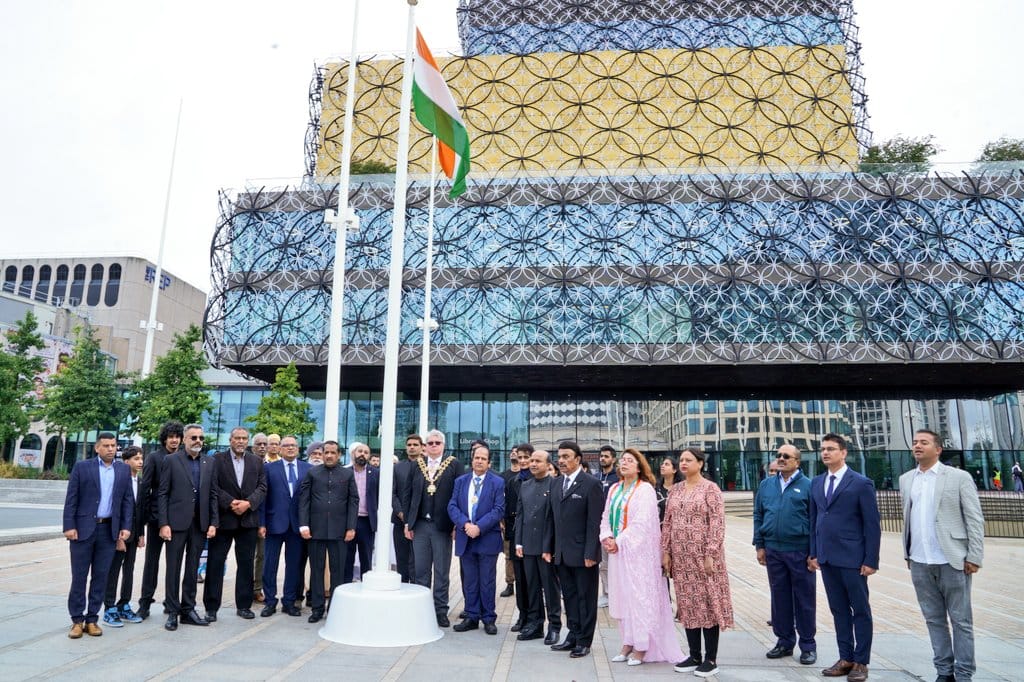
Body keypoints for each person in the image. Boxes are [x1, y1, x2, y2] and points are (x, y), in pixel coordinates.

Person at [900, 429, 985, 682]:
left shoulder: (958, 477)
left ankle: (964, 673)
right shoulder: (906, 479)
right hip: (919, 561)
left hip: (953, 560)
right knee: (933, 620)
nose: (917, 446)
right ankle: (944, 671)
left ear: (938, 449)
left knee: (961, 621)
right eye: (915, 442)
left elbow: (974, 518)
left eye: (923, 442)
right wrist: (908, 554)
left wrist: (974, 555)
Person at [808, 433, 881, 682]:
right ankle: (845, 657)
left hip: (853, 559)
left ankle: (861, 661)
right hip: (827, 559)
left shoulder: (861, 483)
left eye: (831, 449)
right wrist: (813, 552)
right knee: (838, 610)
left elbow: (872, 525)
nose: (825, 453)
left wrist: (871, 560)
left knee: (860, 610)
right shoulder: (817, 483)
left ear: (844, 452)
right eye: (823, 449)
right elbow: (814, 520)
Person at [601, 448, 683, 666]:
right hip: (618, 554)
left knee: (639, 598)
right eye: (623, 460)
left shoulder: (645, 489)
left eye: (630, 460)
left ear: (639, 467)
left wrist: (618, 541)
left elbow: (642, 523)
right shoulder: (614, 489)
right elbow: (606, 517)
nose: (624, 463)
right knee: (622, 598)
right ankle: (627, 642)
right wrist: (607, 537)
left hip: (638, 556)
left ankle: (642, 646)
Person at [662, 447, 734, 678]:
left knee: (708, 605)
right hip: (681, 559)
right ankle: (693, 656)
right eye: (681, 460)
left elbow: (717, 523)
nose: (683, 463)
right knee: (688, 605)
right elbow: (668, 523)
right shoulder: (675, 490)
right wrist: (666, 552)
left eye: (688, 460)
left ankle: (710, 659)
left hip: (705, 559)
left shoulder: (710, 489)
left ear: (700, 463)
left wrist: (711, 553)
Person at [63, 433, 135, 639]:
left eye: (113, 445)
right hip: (83, 529)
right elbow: (71, 498)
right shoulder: (82, 467)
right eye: (106, 445)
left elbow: (128, 501)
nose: (111, 449)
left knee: (101, 577)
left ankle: (92, 619)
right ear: (97, 448)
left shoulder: (123, 470)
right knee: (79, 576)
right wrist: (69, 525)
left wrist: (126, 527)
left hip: (109, 530)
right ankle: (77, 620)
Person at [753, 444, 817, 665]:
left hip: (800, 551)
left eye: (786, 456)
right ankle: (784, 642)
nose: (780, 459)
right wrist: (759, 545)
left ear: (797, 462)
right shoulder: (767, 485)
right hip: (774, 550)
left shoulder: (809, 486)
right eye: (778, 455)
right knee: (779, 598)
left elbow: (816, 521)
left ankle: (808, 645)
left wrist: (814, 553)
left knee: (804, 599)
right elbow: (758, 515)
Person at [158, 423, 218, 631]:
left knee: (193, 569)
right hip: (175, 524)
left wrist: (213, 523)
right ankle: (173, 611)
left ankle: (188, 609)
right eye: (193, 438)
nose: (198, 442)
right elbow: (162, 493)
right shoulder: (171, 460)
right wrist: (163, 523)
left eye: (201, 438)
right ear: (184, 440)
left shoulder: (209, 462)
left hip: (199, 525)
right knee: (173, 568)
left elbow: (213, 495)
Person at [402, 429, 465, 627]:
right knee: (420, 570)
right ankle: (422, 609)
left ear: (443, 445)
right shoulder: (417, 465)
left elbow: (459, 496)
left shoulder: (454, 464)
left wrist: (457, 524)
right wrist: (408, 523)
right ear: (425, 446)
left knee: (441, 571)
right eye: (430, 443)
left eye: (437, 443)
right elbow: (408, 495)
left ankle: (440, 610)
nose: (434, 446)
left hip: (442, 526)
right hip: (420, 525)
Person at [203, 427, 266, 622]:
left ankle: (244, 605)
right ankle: (211, 607)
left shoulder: (256, 461)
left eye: (244, 438)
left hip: (248, 521)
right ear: (230, 440)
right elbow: (213, 486)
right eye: (237, 438)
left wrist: (248, 504)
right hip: (224, 519)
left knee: (246, 564)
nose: (240, 441)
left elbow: (263, 487)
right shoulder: (217, 460)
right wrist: (230, 502)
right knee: (215, 563)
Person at [548, 440, 604, 659]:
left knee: (585, 598)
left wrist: (591, 552)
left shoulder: (591, 484)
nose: (561, 460)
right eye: (559, 456)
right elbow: (552, 520)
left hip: (584, 555)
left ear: (578, 459)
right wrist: (549, 548)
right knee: (569, 597)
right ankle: (572, 633)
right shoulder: (556, 483)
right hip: (562, 554)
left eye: (566, 456)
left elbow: (594, 523)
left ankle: (584, 640)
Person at [448, 444, 506, 635]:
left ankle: (488, 618)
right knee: (470, 581)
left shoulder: (497, 483)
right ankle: (472, 616)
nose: (479, 461)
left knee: (487, 581)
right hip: (466, 537)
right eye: (476, 458)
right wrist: (465, 525)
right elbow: (452, 506)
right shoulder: (461, 481)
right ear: (472, 460)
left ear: (489, 463)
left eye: (483, 458)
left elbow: (498, 510)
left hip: (487, 537)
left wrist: (479, 527)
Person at [299, 440, 358, 623]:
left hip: (340, 531)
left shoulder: (347, 474)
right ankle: (317, 608)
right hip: (315, 530)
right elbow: (304, 500)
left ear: (339, 454)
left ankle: (335, 607)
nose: (329, 455)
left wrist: (351, 527)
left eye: (333, 452)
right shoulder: (312, 472)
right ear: (322, 454)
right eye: (326, 452)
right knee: (316, 570)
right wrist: (304, 525)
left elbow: (353, 501)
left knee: (337, 571)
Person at [136, 420, 183, 620]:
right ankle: (145, 603)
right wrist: (143, 520)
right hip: (156, 519)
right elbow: (145, 489)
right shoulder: (155, 458)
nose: (174, 440)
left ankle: (171, 603)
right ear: (164, 438)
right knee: (151, 563)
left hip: (178, 519)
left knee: (174, 564)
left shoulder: (184, 457)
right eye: (170, 437)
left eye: (177, 437)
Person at [260, 434, 310, 617]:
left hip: (297, 526)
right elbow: (263, 498)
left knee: (294, 565)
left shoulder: (308, 469)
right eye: (286, 445)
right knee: (269, 564)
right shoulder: (269, 469)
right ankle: (270, 601)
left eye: (293, 446)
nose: (290, 448)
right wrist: (262, 523)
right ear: (280, 449)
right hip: (274, 524)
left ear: (298, 449)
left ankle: (289, 602)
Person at [515, 449, 562, 645]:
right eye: (531, 460)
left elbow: (554, 519)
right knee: (531, 587)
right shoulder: (525, 485)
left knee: (550, 588)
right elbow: (520, 515)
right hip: (527, 545)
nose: (533, 464)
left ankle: (554, 626)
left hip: (546, 548)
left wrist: (549, 547)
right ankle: (535, 624)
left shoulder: (555, 485)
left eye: (538, 461)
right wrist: (518, 541)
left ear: (548, 464)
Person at [103, 446, 146, 627]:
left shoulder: (141, 483)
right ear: (126, 461)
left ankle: (124, 604)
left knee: (129, 570)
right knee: (113, 571)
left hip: (134, 534)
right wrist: (119, 537)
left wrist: (141, 534)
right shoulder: (119, 480)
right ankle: (109, 607)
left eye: (141, 458)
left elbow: (140, 510)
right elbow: (117, 509)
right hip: (119, 533)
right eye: (136, 459)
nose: (140, 462)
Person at [343, 441, 381, 583]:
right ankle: (346, 586)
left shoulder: (376, 473)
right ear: (353, 454)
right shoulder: (345, 472)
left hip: (367, 521)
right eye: (360, 451)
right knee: (347, 557)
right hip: (348, 522)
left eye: (366, 452)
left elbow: (379, 496)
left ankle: (366, 586)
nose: (363, 454)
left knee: (366, 557)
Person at [505, 444, 532, 632]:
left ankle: (534, 618)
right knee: (520, 580)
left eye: (526, 457)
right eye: (520, 457)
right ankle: (522, 616)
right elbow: (508, 510)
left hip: (533, 536)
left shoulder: (539, 479)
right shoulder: (513, 482)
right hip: (516, 536)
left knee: (533, 581)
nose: (522, 461)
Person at [392, 434, 422, 583]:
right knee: (402, 560)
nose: (412, 447)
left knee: (418, 562)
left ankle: (417, 591)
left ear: (422, 447)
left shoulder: (427, 467)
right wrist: (400, 512)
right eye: (409, 444)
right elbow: (392, 493)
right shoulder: (398, 468)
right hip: (400, 520)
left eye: (415, 444)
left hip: (420, 523)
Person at [596, 445, 618, 609]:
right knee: (603, 564)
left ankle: (618, 595)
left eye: (606, 456)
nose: (603, 458)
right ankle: (607, 594)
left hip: (614, 527)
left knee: (616, 562)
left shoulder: (618, 478)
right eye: (601, 456)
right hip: (598, 526)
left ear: (613, 459)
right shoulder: (596, 477)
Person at [499, 445, 521, 600]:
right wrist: (501, 519)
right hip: (507, 521)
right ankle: (509, 584)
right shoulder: (503, 476)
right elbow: (500, 499)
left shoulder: (526, 475)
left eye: (516, 452)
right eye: (511, 451)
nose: (513, 453)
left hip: (522, 520)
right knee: (508, 555)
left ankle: (523, 583)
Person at [252, 432, 271, 603]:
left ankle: (257, 588)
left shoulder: (272, 465)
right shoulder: (247, 463)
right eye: (259, 444)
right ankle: (246, 588)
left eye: (265, 444)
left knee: (262, 555)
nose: (262, 447)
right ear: (253, 446)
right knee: (247, 555)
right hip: (247, 514)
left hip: (265, 518)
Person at [655, 455, 682, 522]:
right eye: (662, 464)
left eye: (666, 464)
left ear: (674, 470)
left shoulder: (681, 489)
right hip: (658, 528)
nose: (662, 466)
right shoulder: (655, 488)